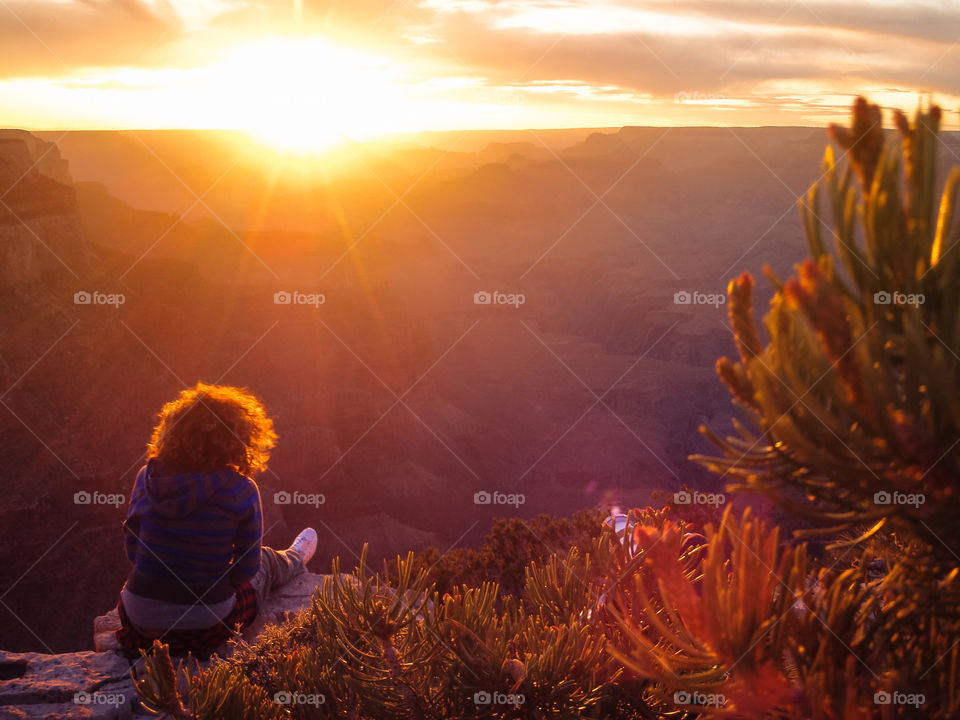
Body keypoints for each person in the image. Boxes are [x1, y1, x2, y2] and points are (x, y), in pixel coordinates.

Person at [114, 382, 317, 660]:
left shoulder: (147, 477)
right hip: (205, 626)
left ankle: (291, 557)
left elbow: (132, 548)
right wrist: (211, 579)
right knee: (266, 561)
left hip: (138, 620)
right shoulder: (241, 489)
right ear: (238, 437)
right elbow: (246, 569)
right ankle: (296, 557)